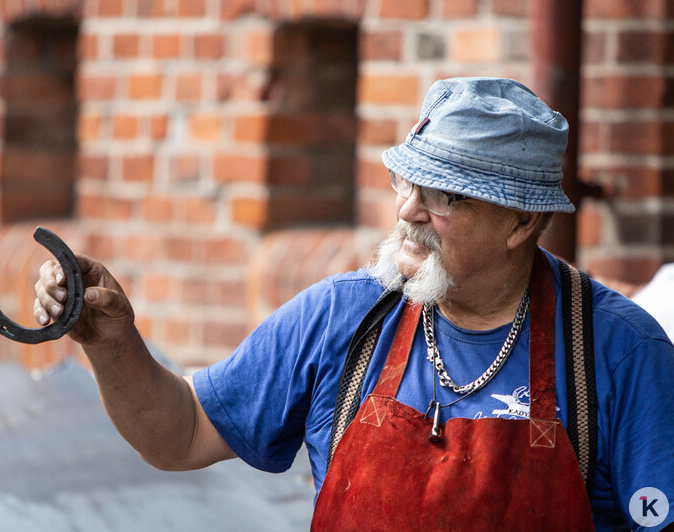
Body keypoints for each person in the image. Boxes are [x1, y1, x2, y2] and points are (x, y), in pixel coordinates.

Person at [34, 78, 674, 531]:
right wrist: (111, 343)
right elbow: (183, 434)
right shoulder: (341, 319)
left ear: (521, 224)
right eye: (407, 182)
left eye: (445, 197)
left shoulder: (619, 354)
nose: (408, 211)